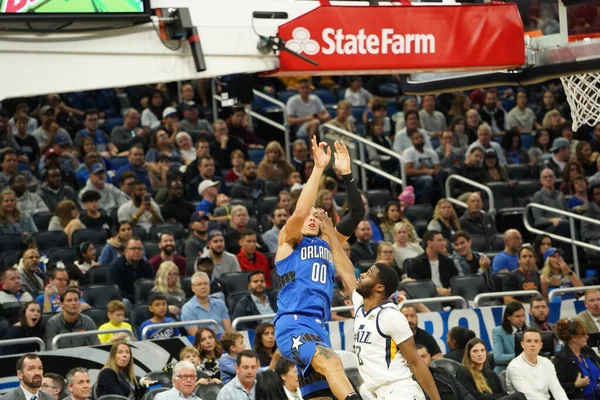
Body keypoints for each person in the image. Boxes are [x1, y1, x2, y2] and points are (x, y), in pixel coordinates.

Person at [274, 138, 364, 400]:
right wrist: (318, 168)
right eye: (309, 216)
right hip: (293, 323)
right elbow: (300, 213)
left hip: (318, 326)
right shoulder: (289, 241)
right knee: (334, 362)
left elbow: (357, 213)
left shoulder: (328, 241)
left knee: (321, 396)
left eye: (317, 215)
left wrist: (346, 173)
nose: (312, 218)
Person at [353, 262, 441, 400]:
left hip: (399, 391)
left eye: (369, 273)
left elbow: (415, 361)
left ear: (380, 287)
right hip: (375, 392)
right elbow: (345, 269)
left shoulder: (390, 316)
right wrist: (332, 241)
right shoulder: (360, 304)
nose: (362, 274)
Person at [506, 328, 568, 400]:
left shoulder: (546, 363)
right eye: (528, 341)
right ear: (522, 344)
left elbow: (557, 389)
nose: (532, 344)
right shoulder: (514, 367)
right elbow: (529, 396)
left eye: (536, 341)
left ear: (541, 345)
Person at [457, 338, 524, 400]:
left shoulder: (491, 374)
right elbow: (474, 396)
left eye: (482, 350)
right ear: (469, 354)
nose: (480, 354)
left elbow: (501, 393)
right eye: (475, 351)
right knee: (519, 396)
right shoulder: (463, 372)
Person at [553, 318, 600, 400]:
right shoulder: (562, 359)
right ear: (574, 338)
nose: (587, 336)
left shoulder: (587, 350)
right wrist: (575, 385)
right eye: (583, 334)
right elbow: (555, 386)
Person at [407, 230, 457, 296]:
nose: (443, 244)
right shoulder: (417, 263)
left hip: (448, 297)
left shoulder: (448, 262)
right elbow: (417, 285)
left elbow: (455, 280)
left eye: (443, 240)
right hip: (427, 298)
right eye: (439, 240)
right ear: (429, 243)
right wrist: (436, 290)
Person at [107, 237, 154, 303]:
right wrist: (135, 298)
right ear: (126, 251)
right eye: (133, 248)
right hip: (123, 299)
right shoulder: (115, 267)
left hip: (143, 299)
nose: (137, 251)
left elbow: (152, 286)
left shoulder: (147, 266)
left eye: (139, 249)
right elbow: (116, 290)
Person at [492, 301, 526, 373]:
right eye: (517, 316)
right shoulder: (498, 331)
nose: (521, 320)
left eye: (523, 316)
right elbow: (498, 357)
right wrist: (521, 355)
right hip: (505, 372)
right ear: (508, 317)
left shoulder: (528, 330)